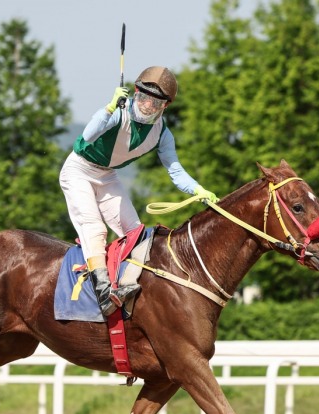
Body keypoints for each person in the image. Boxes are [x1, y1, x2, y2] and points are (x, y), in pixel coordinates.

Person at [59, 66, 216, 317]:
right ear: (135, 92)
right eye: (143, 97)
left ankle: (130, 287)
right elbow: (88, 135)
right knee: (95, 228)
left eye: (155, 102)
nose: (146, 105)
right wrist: (110, 107)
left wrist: (199, 189)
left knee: (134, 233)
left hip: (107, 175)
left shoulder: (162, 134)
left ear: (165, 106)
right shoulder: (117, 111)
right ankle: (103, 292)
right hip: (79, 170)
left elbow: (175, 170)